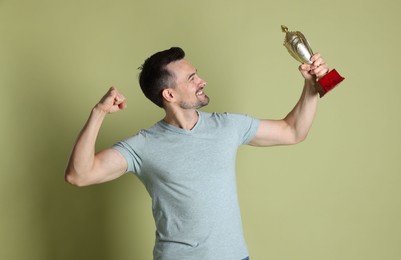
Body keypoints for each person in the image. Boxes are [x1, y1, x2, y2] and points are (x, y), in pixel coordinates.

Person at [65, 47, 329, 260]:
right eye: (192, 79)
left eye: (197, 74)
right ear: (169, 94)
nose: (202, 81)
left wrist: (311, 86)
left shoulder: (227, 126)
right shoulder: (143, 146)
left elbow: (293, 131)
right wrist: (98, 113)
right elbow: (79, 175)